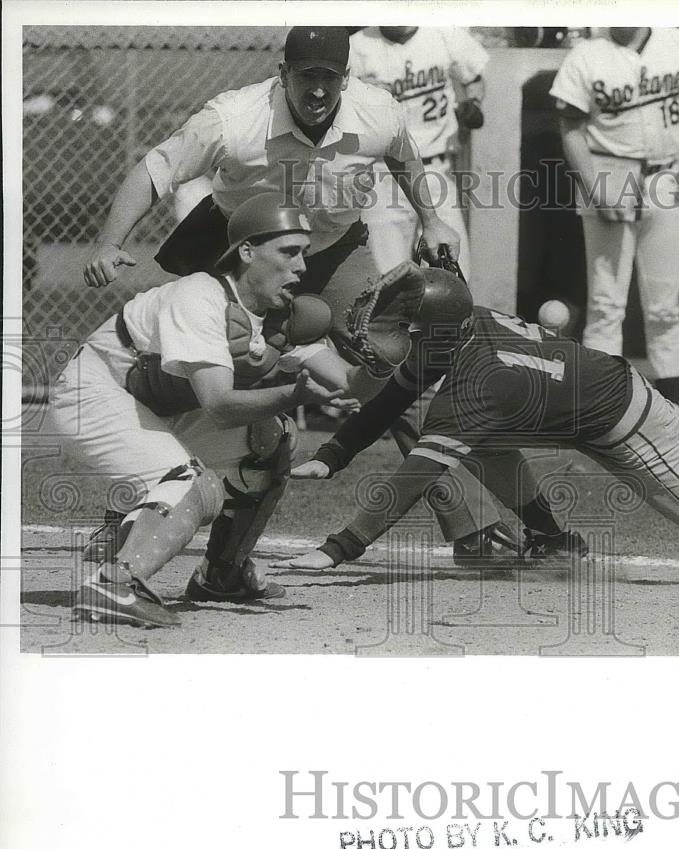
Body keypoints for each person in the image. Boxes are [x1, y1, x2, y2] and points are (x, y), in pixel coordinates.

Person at [81, 25, 506, 564]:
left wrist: (431, 218)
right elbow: (154, 168)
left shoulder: (376, 110)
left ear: (346, 78)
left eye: (329, 78)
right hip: (243, 255)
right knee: (185, 380)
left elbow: (403, 154)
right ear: (282, 74)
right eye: (306, 76)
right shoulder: (234, 118)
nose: (318, 90)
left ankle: (475, 530)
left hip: (333, 248)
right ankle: (133, 519)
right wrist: (108, 242)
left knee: (392, 371)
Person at [280, 265, 679, 597]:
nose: (376, 335)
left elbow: (411, 478)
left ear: (427, 331)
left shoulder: (476, 385)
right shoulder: (457, 327)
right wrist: (334, 455)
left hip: (628, 421)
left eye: (393, 325)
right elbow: (394, 396)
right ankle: (548, 537)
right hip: (583, 401)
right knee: (473, 437)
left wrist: (338, 549)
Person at [46, 193, 358, 628]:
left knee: (271, 438)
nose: (301, 266)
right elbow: (219, 405)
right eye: (288, 252)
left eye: (304, 253)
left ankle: (222, 575)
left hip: (153, 404)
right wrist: (294, 394)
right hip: (93, 394)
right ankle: (115, 582)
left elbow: (352, 386)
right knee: (191, 481)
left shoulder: (278, 313)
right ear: (247, 252)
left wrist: (396, 358)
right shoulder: (200, 296)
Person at [549, 26, 679, 454]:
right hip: (609, 169)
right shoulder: (587, 54)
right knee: (607, 303)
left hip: (666, 172)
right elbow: (570, 126)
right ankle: (597, 414)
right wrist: (594, 187)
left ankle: (671, 414)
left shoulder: (677, 41)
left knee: (666, 305)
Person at [350, 26, 489, 279]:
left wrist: (473, 104)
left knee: (455, 271)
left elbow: (474, 79)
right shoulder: (357, 47)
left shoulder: (443, 32)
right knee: (389, 275)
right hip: (384, 174)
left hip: (437, 168)